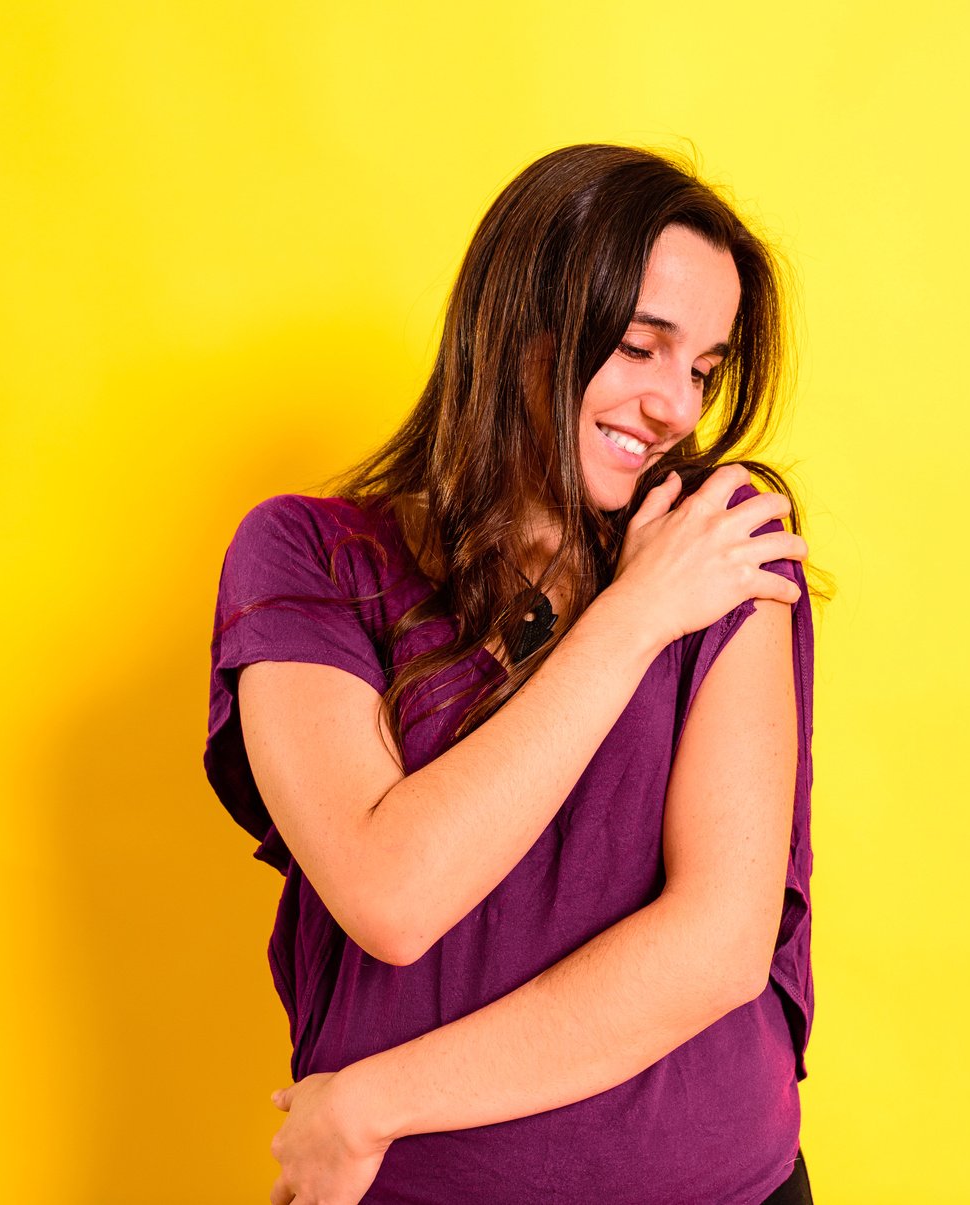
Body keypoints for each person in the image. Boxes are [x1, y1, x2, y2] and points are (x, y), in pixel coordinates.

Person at [203, 143, 822, 1204]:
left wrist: (372, 1102)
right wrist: (629, 617)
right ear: (519, 326)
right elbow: (392, 891)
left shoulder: (715, 544)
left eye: (703, 368)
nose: (675, 404)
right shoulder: (308, 557)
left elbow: (718, 944)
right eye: (639, 346)